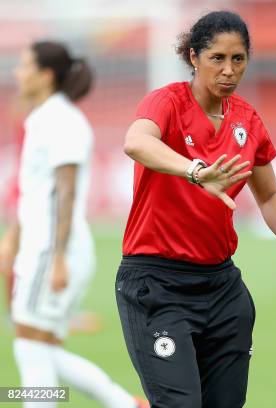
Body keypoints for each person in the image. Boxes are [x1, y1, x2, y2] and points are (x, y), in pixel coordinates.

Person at [116, 11, 276, 408]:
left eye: (237, 59)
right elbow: (136, 142)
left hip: (222, 289)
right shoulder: (167, 102)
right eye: (217, 59)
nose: (228, 70)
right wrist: (195, 171)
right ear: (193, 57)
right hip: (158, 285)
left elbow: (270, 194)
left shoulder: (247, 120)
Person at [4, 41, 147, 408]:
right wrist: (13, 241)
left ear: (46, 74)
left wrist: (57, 258)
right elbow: (36, 192)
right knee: (43, 347)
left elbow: (65, 193)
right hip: (42, 247)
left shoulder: (62, 121)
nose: (18, 73)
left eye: (25, 65)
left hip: (51, 250)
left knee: (29, 346)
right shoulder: (42, 118)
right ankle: (126, 404)